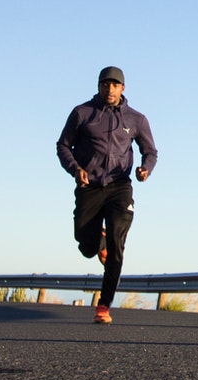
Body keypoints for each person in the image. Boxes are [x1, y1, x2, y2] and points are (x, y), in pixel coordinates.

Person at [56, 66, 158, 323]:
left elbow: (151, 151)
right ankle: (96, 242)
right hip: (89, 186)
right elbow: (63, 145)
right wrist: (76, 169)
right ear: (99, 86)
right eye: (105, 85)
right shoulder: (82, 113)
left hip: (119, 187)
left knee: (117, 243)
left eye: (115, 85)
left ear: (123, 88)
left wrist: (146, 168)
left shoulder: (136, 119)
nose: (109, 90)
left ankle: (104, 306)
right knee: (86, 246)